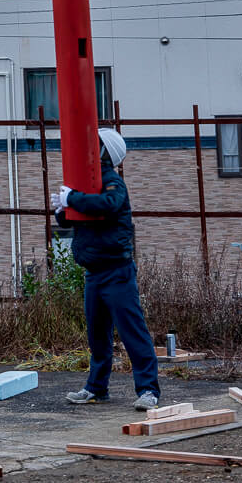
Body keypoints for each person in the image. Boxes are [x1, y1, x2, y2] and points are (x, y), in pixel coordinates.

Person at [53, 127, 161, 409]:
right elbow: (78, 218)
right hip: (94, 271)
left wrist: (71, 199)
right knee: (97, 335)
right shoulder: (89, 185)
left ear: (103, 151)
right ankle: (96, 388)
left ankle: (148, 390)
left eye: (95, 144)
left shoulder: (112, 182)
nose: (88, 149)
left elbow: (109, 204)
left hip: (117, 271)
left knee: (132, 331)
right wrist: (63, 211)